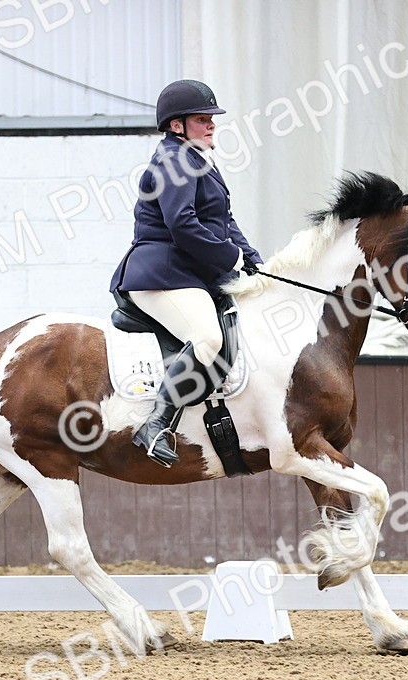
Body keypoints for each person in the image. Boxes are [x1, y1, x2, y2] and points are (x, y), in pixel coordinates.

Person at [109, 79, 264, 468]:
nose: (212, 125)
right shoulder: (174, 161)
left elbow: (223, 220)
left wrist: (252, 260)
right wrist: (229, 259)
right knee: (208, 337)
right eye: (202, 119)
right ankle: (155, 425)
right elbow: (182, 224)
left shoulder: (197, 159)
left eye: (212, 118)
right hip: (160, 273)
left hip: (187, 273)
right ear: (177, 126)